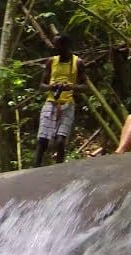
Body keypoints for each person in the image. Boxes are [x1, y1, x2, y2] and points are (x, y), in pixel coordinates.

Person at [34, 35, 87, 167]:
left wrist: (70, 87)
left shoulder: (78, 62)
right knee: (42, 139)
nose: (55, 48)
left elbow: (85, 86)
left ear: (65, 46)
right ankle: (35, 167)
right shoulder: (51, 61)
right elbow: (41, 85)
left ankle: (59, 168)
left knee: (60, 141)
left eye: (57, 45)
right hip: (51, 102)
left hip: (67, 103)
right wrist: (51, 87)